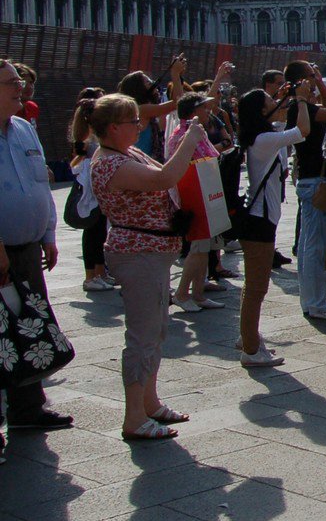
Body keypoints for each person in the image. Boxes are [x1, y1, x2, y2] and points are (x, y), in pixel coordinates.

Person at [88, 92, 204, 441]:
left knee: (156, 331)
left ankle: (149, 403)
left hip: (151, 251)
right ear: (113, 127)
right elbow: (163, 179)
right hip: (138, 253)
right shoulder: (110, 163)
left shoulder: (124, 152)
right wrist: (191, 139)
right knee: (142, 336)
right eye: (132, 121)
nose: (140, 126)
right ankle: (134, 416)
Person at [0, 60, 73, 445]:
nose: (20, 88)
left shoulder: (24, 128)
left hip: (27, 249)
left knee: (31, 326)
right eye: (11, 83)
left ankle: (28, 407)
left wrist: (48, 233)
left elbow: (40, 181)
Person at [235, 85, 310, 367]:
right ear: (260, 111)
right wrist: (301, 100)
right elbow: (303, 130)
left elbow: (283, 120)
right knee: (257, 287)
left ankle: (247, 337)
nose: (275, 102)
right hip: (260, 219)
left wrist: (283, 98)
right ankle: (251, 351)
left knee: (253, 285)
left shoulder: (263, 134)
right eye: (269, 100)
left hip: (260, 217)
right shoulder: (264, 139)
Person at [283, 61, 326, 323]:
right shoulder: (299, 107)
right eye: (309, 75)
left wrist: (318, 82)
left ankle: (312, 301)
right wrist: (304, 95)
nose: (314, 78)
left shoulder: (306, 105)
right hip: (313, 181)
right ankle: (316, 302)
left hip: (313, 180)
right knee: (314, 248)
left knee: (312, 245)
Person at [168, 93, 226, 313]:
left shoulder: (190, 131)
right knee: (199, 245)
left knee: (204, 245)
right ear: (194, 111)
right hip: (195, 190)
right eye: (203, 108)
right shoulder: (186, 134)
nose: (207, 111)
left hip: (203, 189)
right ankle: (182, 293)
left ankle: (198, 293)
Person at [67, 88, 115, 293]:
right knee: (93, 231)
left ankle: (99, 272)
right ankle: (91, 276)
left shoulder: (87, 138)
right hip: (92, 190)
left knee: (99, 231)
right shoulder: (90, 140)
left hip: (95, 188)